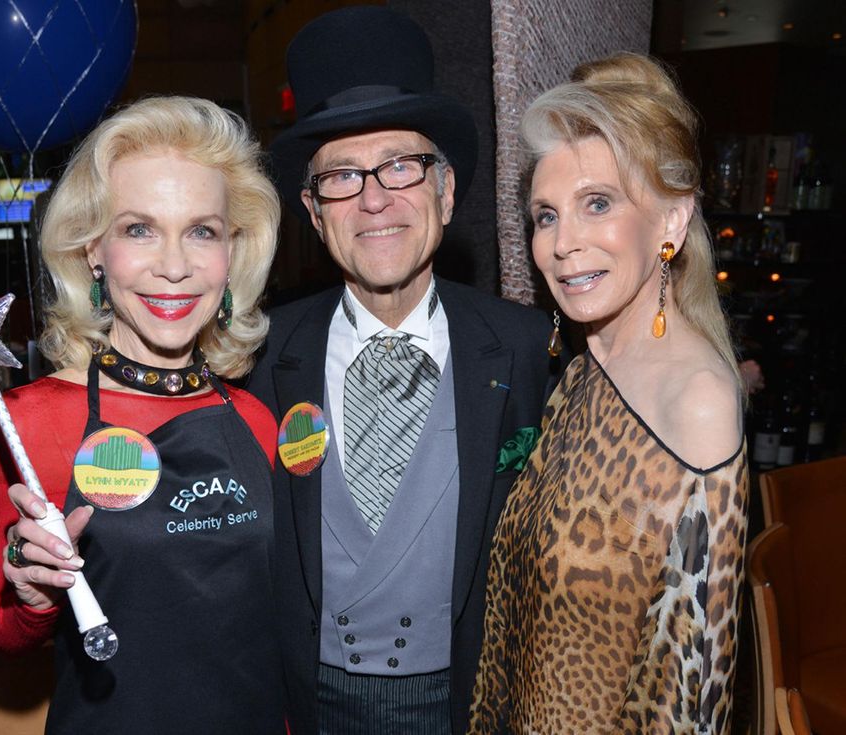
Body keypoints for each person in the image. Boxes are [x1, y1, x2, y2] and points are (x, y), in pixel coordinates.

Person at [248, 7, 560, 734]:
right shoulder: (260, 353)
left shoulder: (523, 344)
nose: (374, 197)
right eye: (342, 176)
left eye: (400, 165)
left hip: (472, 702)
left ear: (446, 193)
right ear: (313, 212)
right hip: (308, 705)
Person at [0, 97, 285, 733]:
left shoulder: (257, 420)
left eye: (203, 230)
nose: (174, 266)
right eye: (139, 229)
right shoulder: (26, 425)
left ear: (232, 254)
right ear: (93, 252)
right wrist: (32, 598)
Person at [468, 53, 748, 733]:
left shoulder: (697, 401)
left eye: (598, 203)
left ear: (672, 222)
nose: (563, 244)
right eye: (545, 215)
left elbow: (691, 697)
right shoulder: (586, 364)